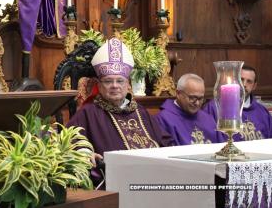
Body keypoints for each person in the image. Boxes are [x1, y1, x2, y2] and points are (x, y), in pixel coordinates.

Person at [67, 38, 174, 186]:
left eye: (120, 81)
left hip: (154, 180)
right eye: (108, 81)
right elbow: (70, 140)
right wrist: (85, 152)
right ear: (99, 84)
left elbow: (166, 143)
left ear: (127, 84)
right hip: (115, 187)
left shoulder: (141, 112)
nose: (115, 86)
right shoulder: (88, 113)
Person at [203, 65, 272, 140]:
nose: (244, 84)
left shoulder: (263, 112)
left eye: (249, 81)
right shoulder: (214, 108)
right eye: (241, 79)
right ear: (234, 80)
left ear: (254, 86)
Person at [155, 74, 225, 145]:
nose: (197, 103)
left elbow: (220, 147)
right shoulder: (164, 119)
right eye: (192, 98)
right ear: (178, 93)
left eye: (200, 99)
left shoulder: (208, 119)